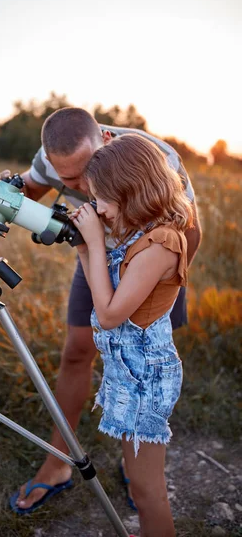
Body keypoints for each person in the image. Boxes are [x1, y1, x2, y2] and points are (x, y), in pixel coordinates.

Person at [0, 107, 201, 515]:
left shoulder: (158, 159)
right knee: (78, 349)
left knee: (140, 354)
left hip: (150, 263)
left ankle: (138, 465)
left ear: (105, 143)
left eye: (81, 176)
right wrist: (10, 192)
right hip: (94, 254)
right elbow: (33, 191)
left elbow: (188, 227)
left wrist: (161, 281)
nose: (75, 187)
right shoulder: (52, 158)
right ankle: (57, 463)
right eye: (66, 179)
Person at [70, 134, 193, 536]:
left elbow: (106, 314)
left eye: (101, 198)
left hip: (146, 379)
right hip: (129, 372)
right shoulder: (141, 236)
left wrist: (93, 241)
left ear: (130, 189)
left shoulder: (161, 245)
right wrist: (88, 252)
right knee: (141, 487)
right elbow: (104, 290)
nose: (97, 209)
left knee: (146, 489)